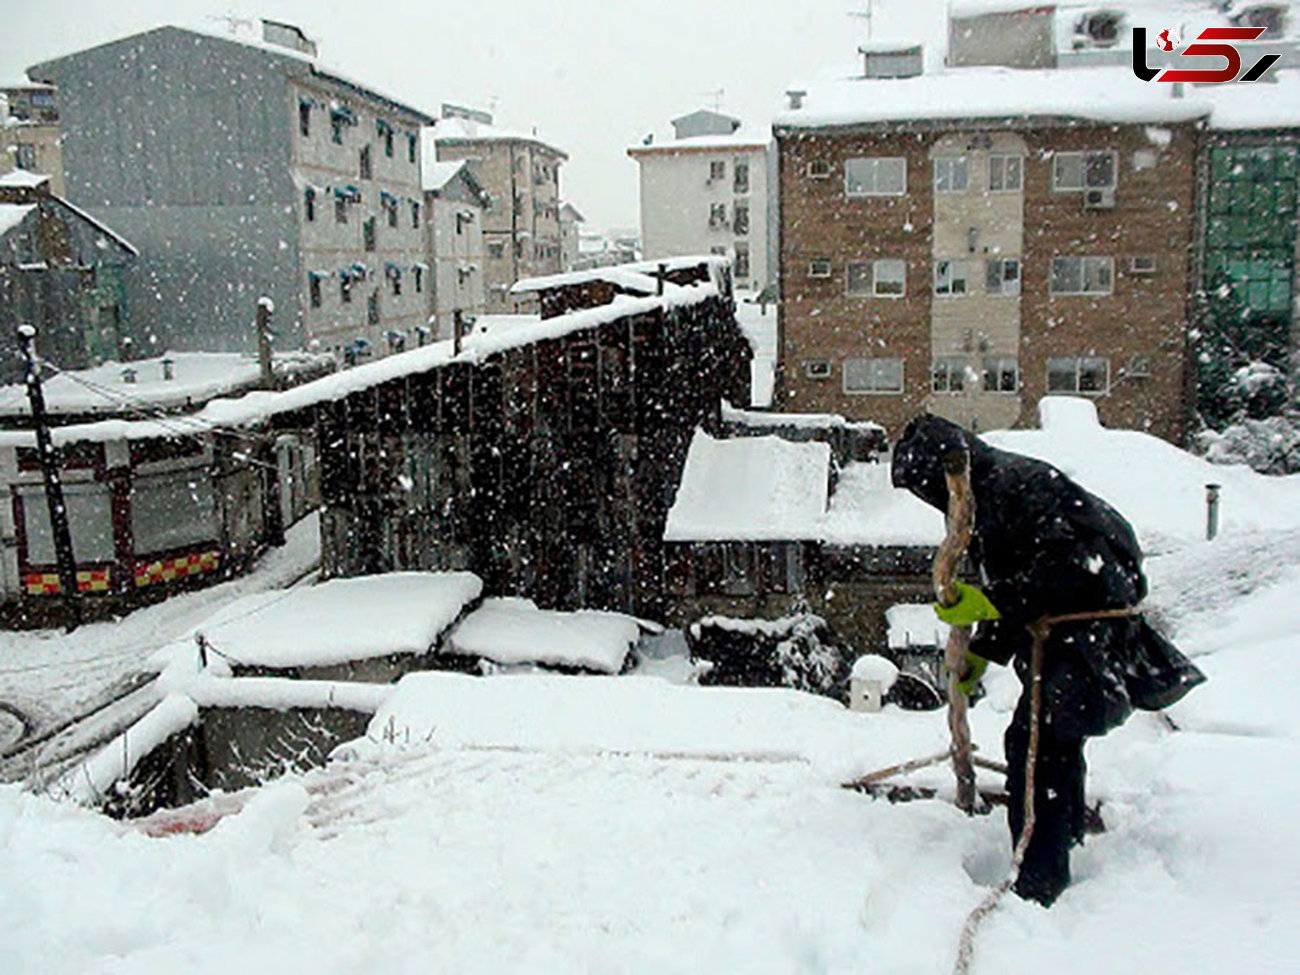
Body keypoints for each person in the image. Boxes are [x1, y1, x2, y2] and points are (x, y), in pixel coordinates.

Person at [891, 414, 1205, 906]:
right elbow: (1026, 591)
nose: (927, 497)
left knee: (1037, 745)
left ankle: (1038, 881)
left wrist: (993, 602)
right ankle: (1063, 836)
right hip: (1071, 624)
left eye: (924, 486)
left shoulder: (1010, 488)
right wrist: (982, 652)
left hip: (1083, 623)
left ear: (944, 469)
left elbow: (1066, 571)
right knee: (1051, 739)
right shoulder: (986, 495)